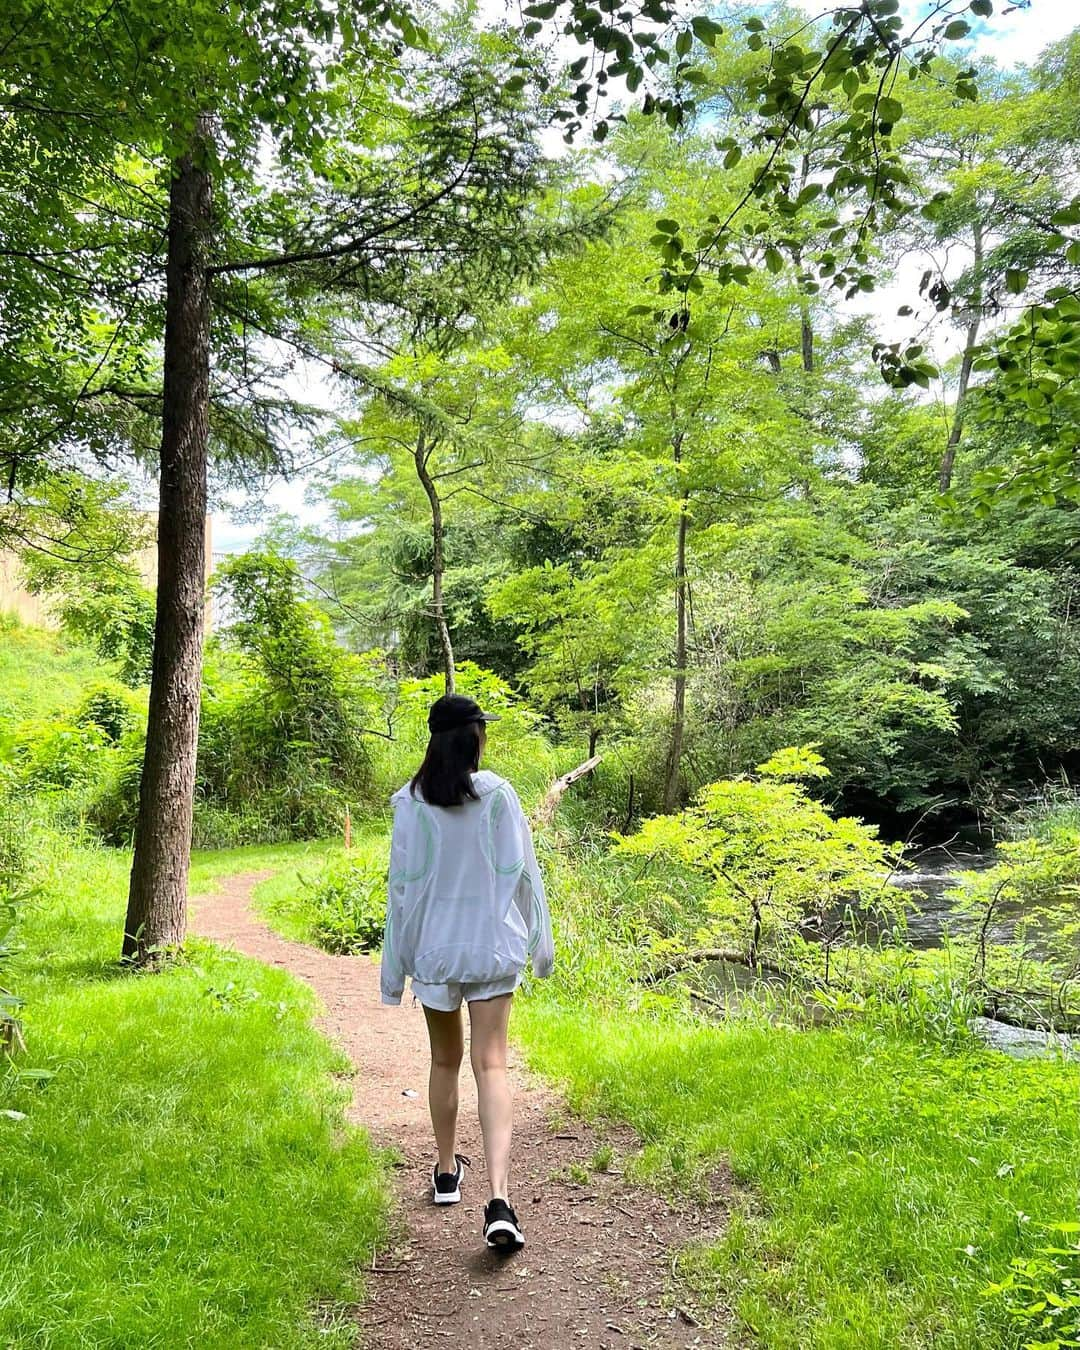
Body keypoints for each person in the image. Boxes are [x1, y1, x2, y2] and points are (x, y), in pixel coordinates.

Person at [380, 693, 554, 1252]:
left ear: (434, 741)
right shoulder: (499, 795)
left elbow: (400, 891)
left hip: (434, 952)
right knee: (492, 1064)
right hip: (491, 947)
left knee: (443, 1060)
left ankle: (447, 1170)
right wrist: (540, 946)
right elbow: (523, 874)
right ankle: (500, 1200)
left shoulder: (410, 802)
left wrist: (395, 969)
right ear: (475, 736)